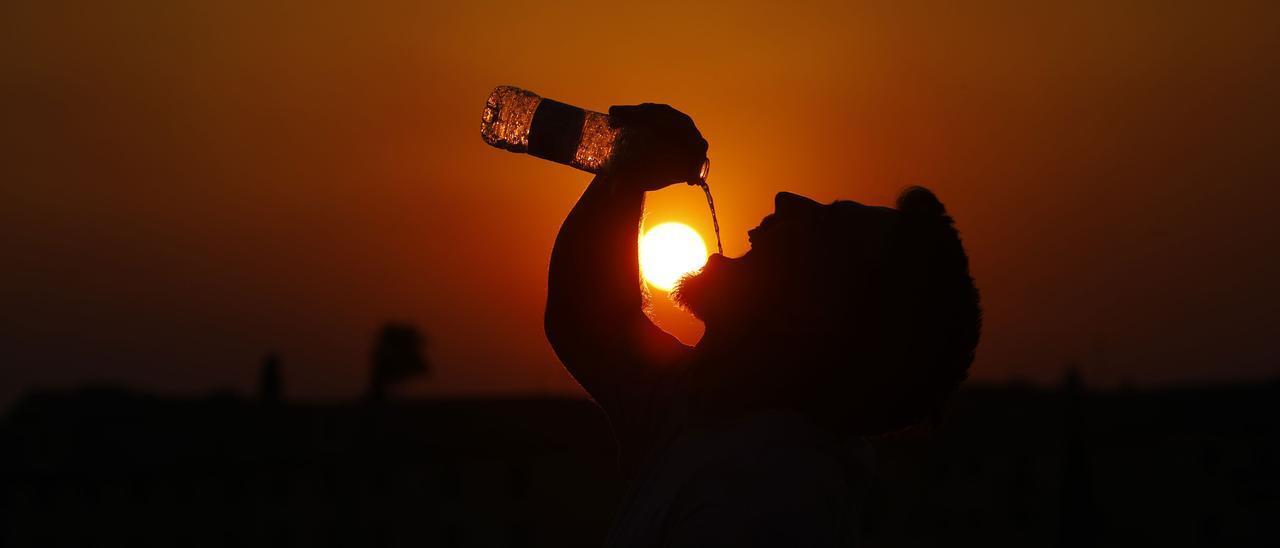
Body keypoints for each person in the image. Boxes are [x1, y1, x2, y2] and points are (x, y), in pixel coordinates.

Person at [545, 103, 981, 547]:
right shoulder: (713, 415)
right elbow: (589, 317)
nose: (787, 200)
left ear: (815, 314)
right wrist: (626, 167)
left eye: (825, 226)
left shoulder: (764, 497)